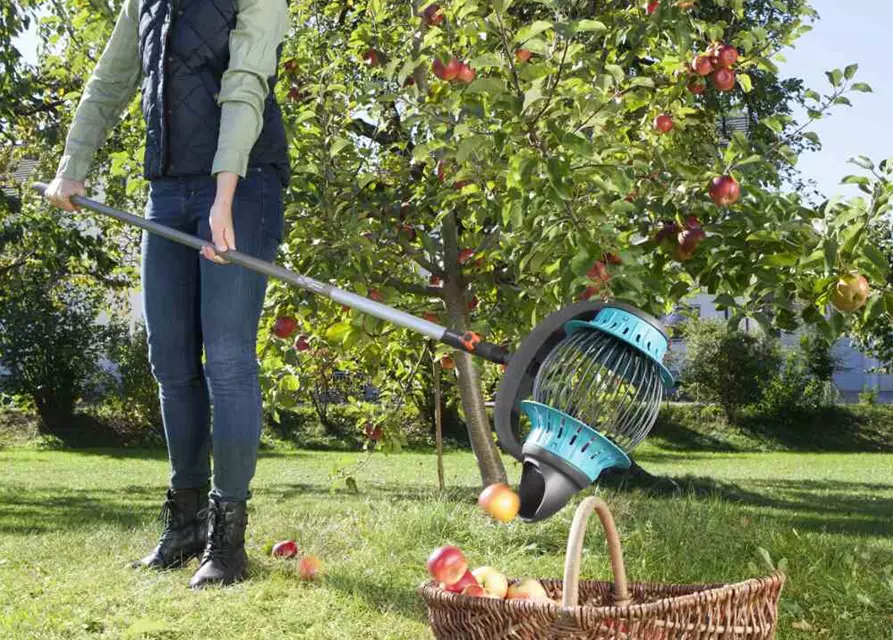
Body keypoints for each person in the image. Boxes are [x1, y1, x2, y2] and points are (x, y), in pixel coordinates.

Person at [44, 0, 290, 589]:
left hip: (244, 182)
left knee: (227, 361)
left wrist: (223, 196)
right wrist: (72, 164)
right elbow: (111, 78)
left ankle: (227, 539)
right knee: (171, 362)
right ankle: (185, 523)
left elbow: (246, 83)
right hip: (168, 188)